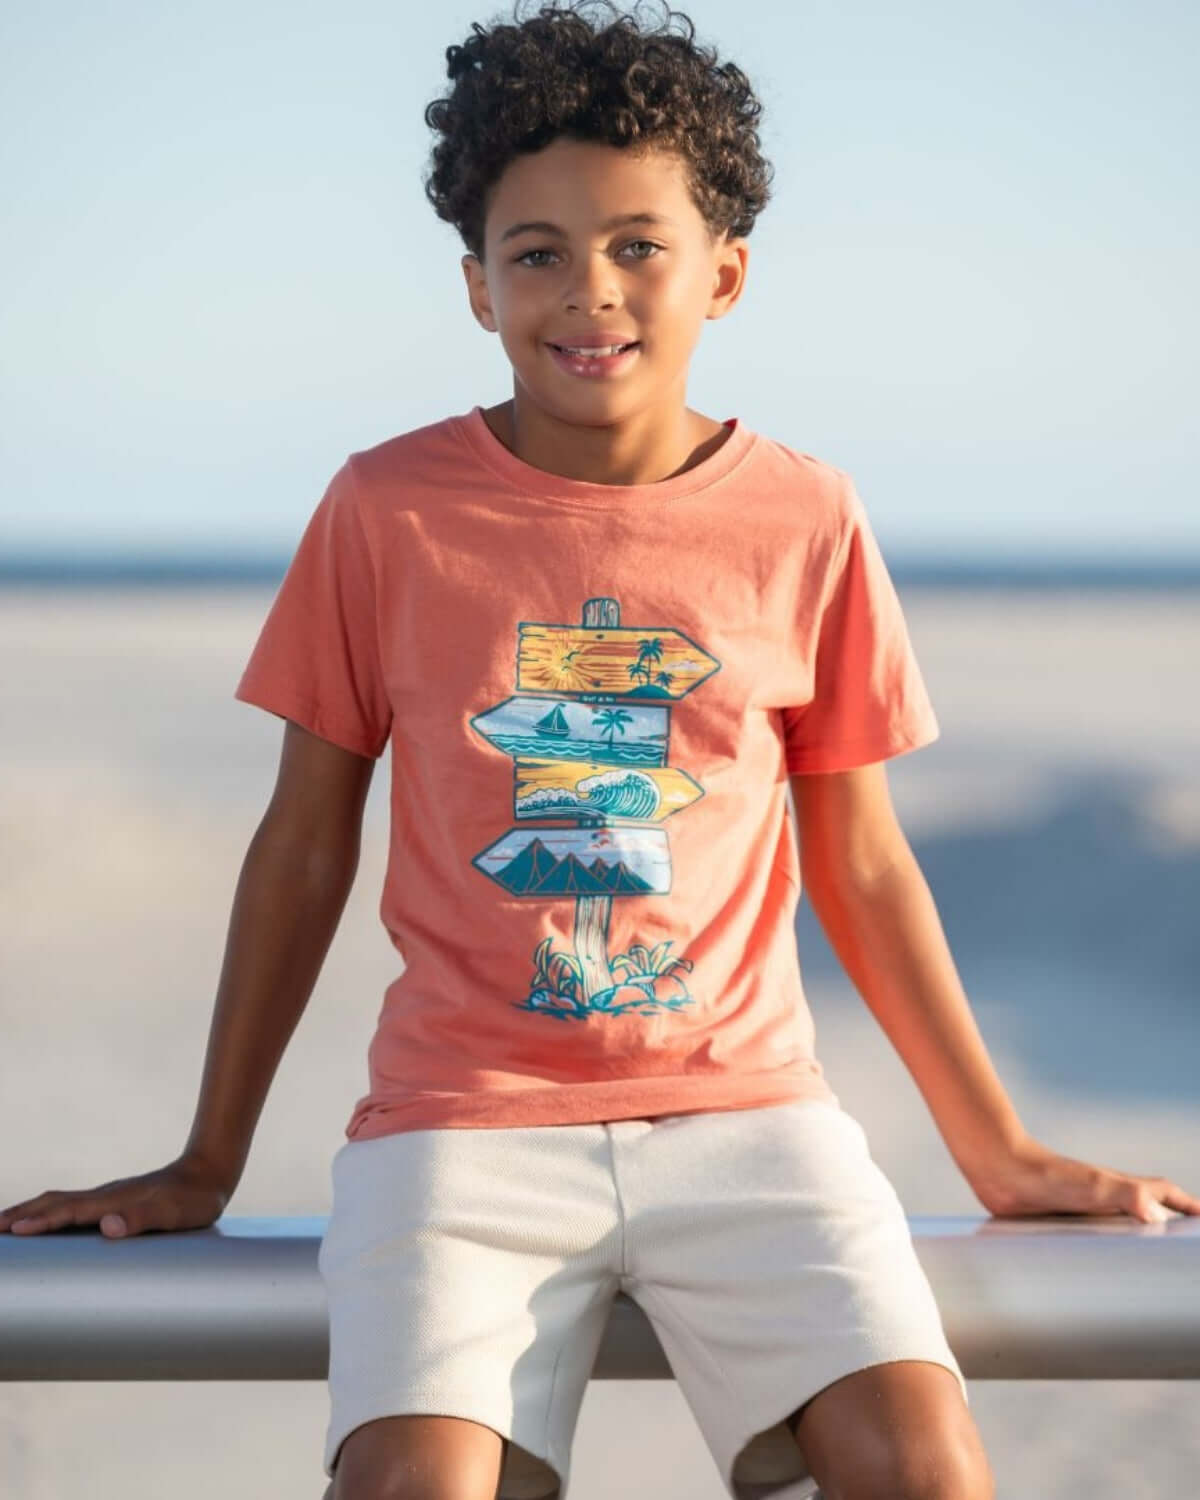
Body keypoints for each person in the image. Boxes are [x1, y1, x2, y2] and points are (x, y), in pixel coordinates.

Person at [4, 2, 1197, 1497]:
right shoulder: (386, 511)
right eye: (537, 252)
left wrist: (999, 1151)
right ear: (476, 285)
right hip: (462, 1129)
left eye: (640, 244)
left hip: (752, 1120)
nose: (592, 290)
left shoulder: (808, 517)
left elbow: (864, 862)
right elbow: (303, 845)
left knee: (924, 1465)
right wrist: (208, 1160)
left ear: (725, 272)